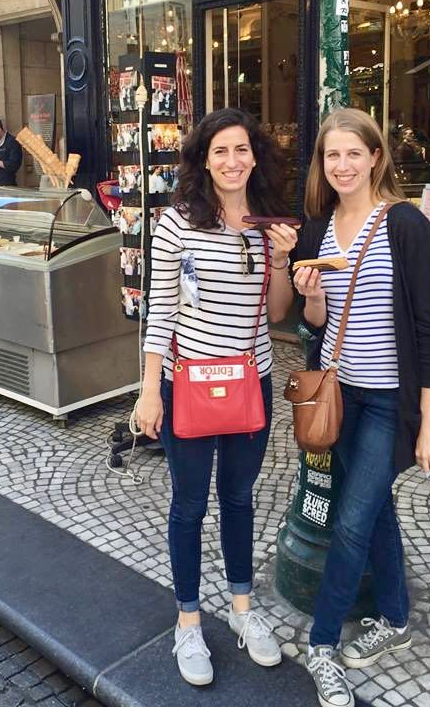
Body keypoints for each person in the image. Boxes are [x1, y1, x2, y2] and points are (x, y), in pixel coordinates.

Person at [291, 108, 430, 707]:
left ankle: (322, 645)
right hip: (339, 396)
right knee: (374, 506)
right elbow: (314, 324)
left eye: (354, 153)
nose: (343, 165)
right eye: (332, 155)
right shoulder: (317, 230)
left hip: (389, 402)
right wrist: (310, 297)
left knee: (350, 519)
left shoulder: (405, 226)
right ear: (322, 163)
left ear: (376, 158)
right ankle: (396, 618)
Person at [136, 107, 298, 687]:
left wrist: (281, 259)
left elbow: (278, 313)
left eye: (242, 150)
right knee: (188, 503)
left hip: (251, 381)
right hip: (190, 384)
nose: (233, 161)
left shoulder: (267, 224)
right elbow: (161, 309)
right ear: (204, 159)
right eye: (221, 151)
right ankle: (187, 621)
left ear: (256, 157)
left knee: (239, 498)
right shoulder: (179, 221)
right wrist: (150, 390)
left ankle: (242, 610)